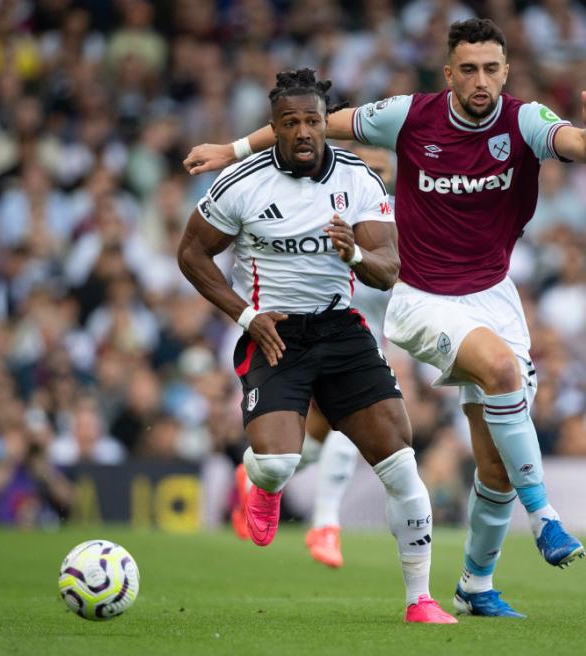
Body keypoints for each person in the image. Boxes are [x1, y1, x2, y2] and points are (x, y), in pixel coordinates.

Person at [184, 18, 586, 618]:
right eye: (468, 69)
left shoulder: (525, 120)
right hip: (421, 296)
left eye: (491, 68)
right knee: (500, 373)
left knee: (492, 466)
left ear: (506, 72)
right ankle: (545, 517)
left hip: (494, 296)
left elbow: (581, 148)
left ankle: (475, 585)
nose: (480, 80)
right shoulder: (409, 115)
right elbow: (313, 122)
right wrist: (234, 149)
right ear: (449, 74)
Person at [177, 69, 456, 624]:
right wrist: (246, 315)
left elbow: (390, 268)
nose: (303, 131)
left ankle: (420, 599)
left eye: (312, 121)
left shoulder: (358, 179)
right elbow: (191, 254)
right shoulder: (241, 183)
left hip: (341, 329)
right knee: (277, 464)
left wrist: (353, 255)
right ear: (273, 128)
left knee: (401, 464)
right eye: (290, 123)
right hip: (275, 333)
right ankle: (259, 480)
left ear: (324, 125)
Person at [232, 146, 396, 571]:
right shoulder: (325, 200)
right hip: (312, 333)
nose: (375, 174)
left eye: (382, 168)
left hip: (363, 335)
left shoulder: (385, 214)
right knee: (337, 427)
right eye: (368, 166)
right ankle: (324, 523)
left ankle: (257, 475)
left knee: (322, 437)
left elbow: (395, 273)